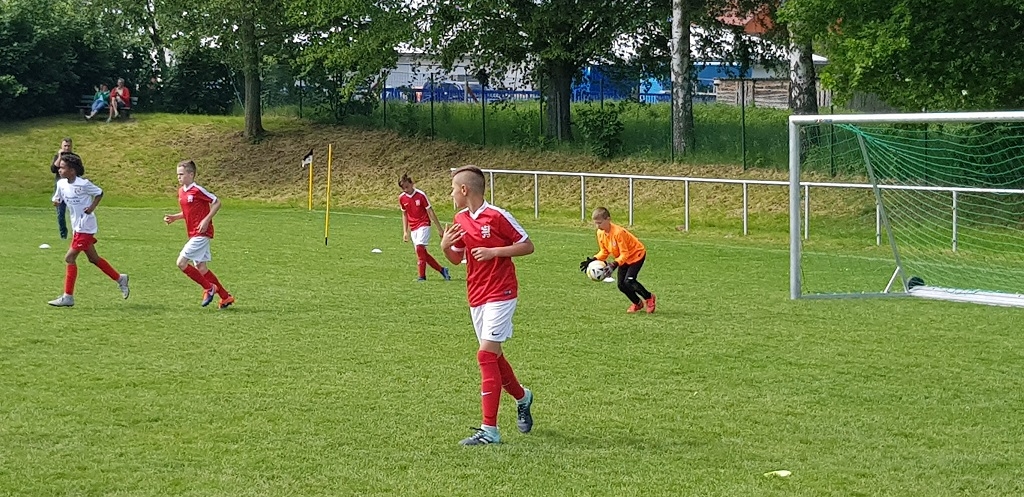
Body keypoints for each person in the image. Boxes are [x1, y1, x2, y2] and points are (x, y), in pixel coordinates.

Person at [440, 165, 535, 446]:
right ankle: (522, 397)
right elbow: (457, 259)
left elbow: (527, 245)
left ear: (464, 189)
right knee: (494, 356)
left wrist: (495, 251)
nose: (451, 194)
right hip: (476, 293)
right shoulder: (459, 219)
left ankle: (489, 430)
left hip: (501, 292)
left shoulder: (497, 216)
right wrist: (445, 246)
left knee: (485, 355)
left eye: (453, 189)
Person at [48, 153, 130, 307]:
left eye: (62, 167)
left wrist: (92, 207)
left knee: (69, 258)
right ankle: (120, 278)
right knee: (93, 259)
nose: (59, 170)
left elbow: (99, 193)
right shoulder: (61, 184)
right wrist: (56, 201)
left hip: (86, 226)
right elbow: (57, 198)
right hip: (76, 227)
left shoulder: (83, 184)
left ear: (72, 170)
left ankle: (68, 296)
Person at [163, 159, 235, 309]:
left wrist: (206, 220)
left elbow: (217, 202)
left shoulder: (197, 190)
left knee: (181, 263)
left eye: (181, 174)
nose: (178, 177)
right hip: (193, 233)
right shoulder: (181, 192)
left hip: (201, 233)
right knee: (201, 267)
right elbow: (189, 212)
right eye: (177, 174)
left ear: (191, 174)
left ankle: (209, 288)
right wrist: (175, 217)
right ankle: (225, 297)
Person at [580, 207, 656, 314]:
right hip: (622, 259)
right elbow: (604, 251)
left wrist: (614, 264)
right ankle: (637, 303)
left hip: (636, 255)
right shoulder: (600, 233)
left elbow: (625, 253)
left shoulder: (618, 233)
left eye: (600, 223)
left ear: (608, 219)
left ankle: (649, 297)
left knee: (629, 281)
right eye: (595, 223)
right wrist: (593, 259)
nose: (597, 226)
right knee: (621, 285)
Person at [398, 173, 450, 282]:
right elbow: (404, 214)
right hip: (413, 228)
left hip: (424, 224)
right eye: (403, 188)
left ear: (412, 184)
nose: (406, 190)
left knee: (419, 248)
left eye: (407, 187)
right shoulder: (402, 198)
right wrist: (405, 231)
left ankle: (422, 277)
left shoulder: (421, 195)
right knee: (422, 253)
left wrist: (439, 228)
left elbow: (430, 211)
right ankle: (442, 270)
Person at [49, 137, 72, 239]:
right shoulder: (57, 157)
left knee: (74, 212)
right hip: (60, 189)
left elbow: (80, 171)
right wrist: (59, 156)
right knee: (60, 213)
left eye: (68, 146)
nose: (67, 148)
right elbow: (53, 169)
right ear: (61, 146)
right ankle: (63, 235)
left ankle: (77, 232)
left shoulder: (74, 158)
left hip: (71, 188)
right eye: (65, 146)